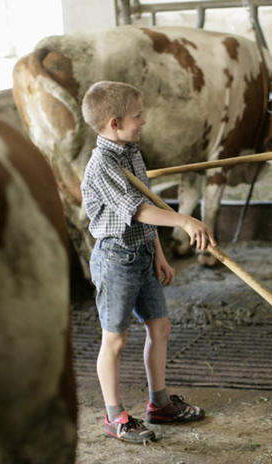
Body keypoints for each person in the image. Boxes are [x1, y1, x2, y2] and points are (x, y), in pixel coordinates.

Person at [81, 81, 215, 443]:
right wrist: (185, 220)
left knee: (161, 328)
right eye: (137, 116)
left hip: (142, 254)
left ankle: (158, 403)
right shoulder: (102, 164)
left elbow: (147, 201)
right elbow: (138, 210)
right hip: (116, 260)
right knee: (116, 340)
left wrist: (159, 254)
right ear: (113, 122)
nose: (143, 122)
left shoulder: (131, 152)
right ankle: (115, 417)